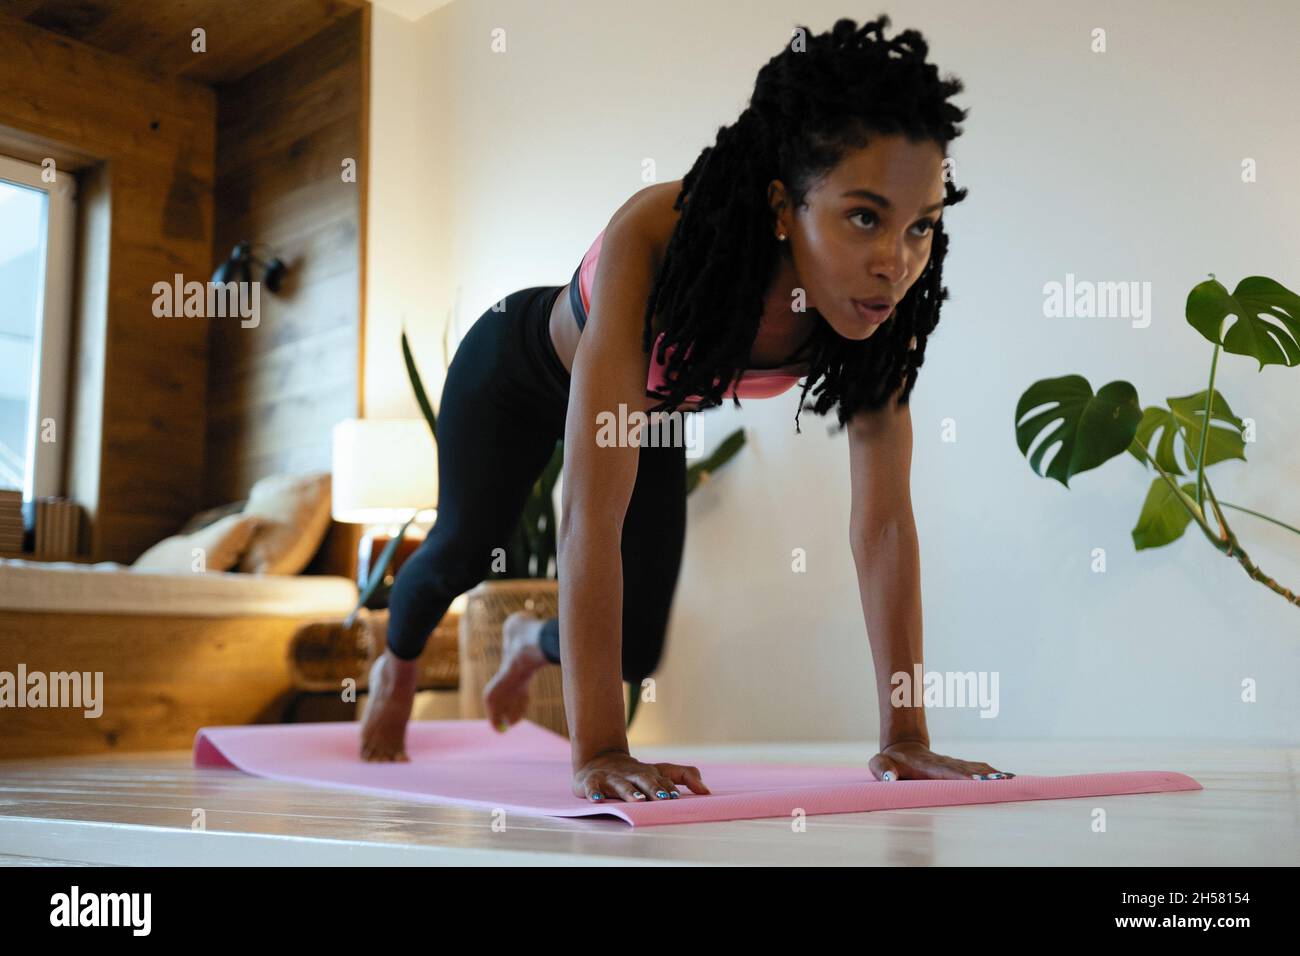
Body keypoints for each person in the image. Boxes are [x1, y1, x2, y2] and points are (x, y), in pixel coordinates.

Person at [361, 15, 1016, 800]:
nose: (895, 262)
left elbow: (881, 525)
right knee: (466, 550)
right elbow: (588, 516)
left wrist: (906, 738)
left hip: (654, 404)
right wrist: (600, 751)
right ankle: (393, 670)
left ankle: (529, 643)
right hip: (512, 372)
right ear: (783, 205)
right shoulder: (660, 235)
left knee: (636, 645)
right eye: (865, 216)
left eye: (921, 228)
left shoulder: (877, 313)